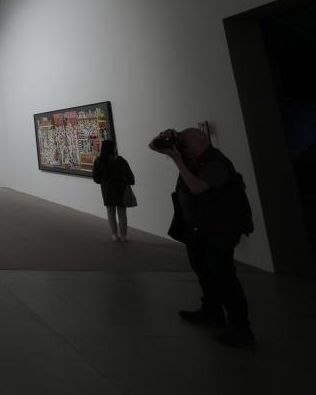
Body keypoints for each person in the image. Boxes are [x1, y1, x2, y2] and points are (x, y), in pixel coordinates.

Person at [149, 127, 256, 347]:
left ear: (202, 141)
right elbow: (153, 146)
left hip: (219, 229)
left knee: (224, 277)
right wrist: (164, 139)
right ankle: (211, 312)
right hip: (199, 228)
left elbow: (197, 188)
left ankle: (241, 328)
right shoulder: (194, 159)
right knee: (205, 271)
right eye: (182, 145)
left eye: (186, 144)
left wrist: (178, 160)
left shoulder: (216, 163)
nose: (184, 149)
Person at [92, 139, 135, 242]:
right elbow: (130, 176)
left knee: (110, 213)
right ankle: (124, 236)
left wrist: (103, 182)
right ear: (113, 148)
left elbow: (96, 178)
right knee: (122, 214)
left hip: (107, 190)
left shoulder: (98, 161)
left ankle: (115, 235)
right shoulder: (120, 160)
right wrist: (130, 181)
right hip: (121, 189)